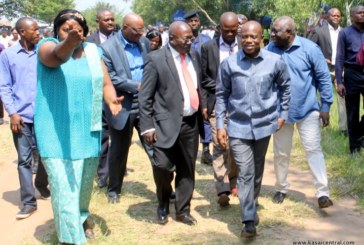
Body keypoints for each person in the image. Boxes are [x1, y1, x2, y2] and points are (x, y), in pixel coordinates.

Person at [35, 9, 122, 244]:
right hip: (56, 134)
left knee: (83, 187)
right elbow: (56, 56)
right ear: (56, 30)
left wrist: (111, 99)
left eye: (78, 31)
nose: (73, 33)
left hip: (87, 130)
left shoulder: (93, 52)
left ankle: (81, 218)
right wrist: (68, 43)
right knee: (64, 191)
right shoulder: (47, 46)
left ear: (86, 33)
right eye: (66, 29)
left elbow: (105, 82)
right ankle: (72, 238)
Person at [216, 20, 290, 238]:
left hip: (264, 125)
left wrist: (282, 115)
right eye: (244, 36)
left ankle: (252, 202)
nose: (248, 40)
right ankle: (248, 220)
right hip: (238, 127)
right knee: (245, 172)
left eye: (253, 36)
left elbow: (286, 88)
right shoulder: (229, 64)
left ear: (261, 39)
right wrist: (221, 125)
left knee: (256, 171)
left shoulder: (275, 62)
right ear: (239, 38)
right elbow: (221, 96)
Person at [139, 21, 204, 226]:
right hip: (163, 124)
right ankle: (163, 202)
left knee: (187, 168)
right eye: (186, 38)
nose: (190, 41)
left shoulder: (194, 56)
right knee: (163, 166)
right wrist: (147, 126)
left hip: (190, 123)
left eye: (192, 37)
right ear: (173, 38)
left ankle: (183, 210)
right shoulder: (156, 59)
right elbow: (145, 97)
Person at [267, 16, 334, 208]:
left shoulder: (310, 49)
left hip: (308, 109)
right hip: (280, 112)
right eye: (272, 30)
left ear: (289, 33)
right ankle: (281, 188)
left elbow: (323, 77)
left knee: (313, 150)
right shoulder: (270, 50)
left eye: (275, 31)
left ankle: (323, 193)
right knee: (281, 153)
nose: (271, 34)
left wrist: (326, 106)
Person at [101, 13, 154, 204]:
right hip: (122, 104)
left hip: (145, 104)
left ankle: (164, 187)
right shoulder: (107, 48)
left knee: (154, 146)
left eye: (142, 29)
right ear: (124, 28)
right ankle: (114, 189)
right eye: (136, 30)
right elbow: (110, 77)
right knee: (119, 151)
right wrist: (135, 85)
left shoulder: (145, 43)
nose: (141, 33)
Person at [0, 17, 49, 219]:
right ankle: (28, 202)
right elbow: (4, 86)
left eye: (39, 29)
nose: (38, 33)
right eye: (34, 30)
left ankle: (41, 183)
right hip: (21, 117)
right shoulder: (8, 55)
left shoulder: (45, 52)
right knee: (24, 160)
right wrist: (12, 113)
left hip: (45, 116)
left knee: (47, 156)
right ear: (21, 32)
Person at [200, 12, 240, 207]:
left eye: (234, 30)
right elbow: (203, 77)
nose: (231, 34)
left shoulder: (246, 44)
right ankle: (221, 186)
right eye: (227, 30)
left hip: (240, 105)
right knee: (219, 143)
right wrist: (222, 84)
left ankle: (234, 181)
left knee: (235, 145)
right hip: (217, 104)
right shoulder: (208, 48)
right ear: (219, 28)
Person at [86, 9, 116, 188]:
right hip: (96, 95)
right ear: (98, 21)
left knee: (119, 137)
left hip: (117, 95)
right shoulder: (89, 43)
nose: (111, 22)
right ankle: (103, 174)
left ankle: (116, 169)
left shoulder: (120, 40)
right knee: (103, 136)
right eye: (107, 20)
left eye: (112, 19)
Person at [310, 8, 347, 136]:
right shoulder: (319, 30)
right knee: (321, 96)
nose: (336, 17)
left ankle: (344, 129)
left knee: (342, 96)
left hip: (340, 68)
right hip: (323, 68)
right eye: (333, 15)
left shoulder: (345, 31)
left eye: (338, 15)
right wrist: (320, 57)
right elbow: (310, 47)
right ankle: (320, 126)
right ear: (327, 17)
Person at [184, 10, 213, 165]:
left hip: (203, 84)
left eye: (196, 21)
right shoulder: (182, 39)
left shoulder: (207, 40)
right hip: (187, 83)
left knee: (205, 116)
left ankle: (206, 150)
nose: (193, 24)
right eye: (190, 21)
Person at [335, 5, 364, 154]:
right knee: (352, 113)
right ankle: (354, 147)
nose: (363, 14)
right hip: (352, 74)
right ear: (352, 16)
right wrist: (339, 81)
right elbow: (339, 58)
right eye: (360, 12)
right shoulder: (345, 33)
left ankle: (359, 135)